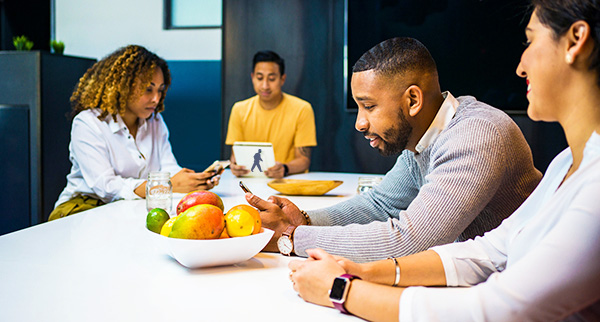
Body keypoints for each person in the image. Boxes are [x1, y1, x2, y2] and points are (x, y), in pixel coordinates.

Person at [288, 1, 600, 320]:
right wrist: (367, 270)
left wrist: (340, 288)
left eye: (530, 40)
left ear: (575, 40)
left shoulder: (480, 132)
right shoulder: (566, 163)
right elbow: (490, 251)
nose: (520, 66)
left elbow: (496, 309)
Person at [246, 38, 542, 262]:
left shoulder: (475, 134)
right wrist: (304, 219)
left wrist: (292, 237)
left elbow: (410, 240)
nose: (360, 123)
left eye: (369, 106)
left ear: (412, 100)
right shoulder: (425, 138)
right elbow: (380, 204)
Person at [49, 45, 218, 221]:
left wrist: (194, 181)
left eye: (160, 90)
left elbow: (167, 168)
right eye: (148, 89)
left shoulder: (154, 121)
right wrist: (167, 185)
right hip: (83, 208)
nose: (156, 98)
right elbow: (106, 186)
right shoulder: (88, 123)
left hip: (129, 207)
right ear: (122, 86)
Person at [225, 50, 317, 178]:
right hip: (249, 181)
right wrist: (235, 166)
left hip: (288, 180)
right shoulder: (239, 109)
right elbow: (236, 156)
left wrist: (284, 169)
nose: (265, 85)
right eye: (259, 78)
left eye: (272, 79)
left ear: (282, 79)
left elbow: (304, 160)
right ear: (252, 77)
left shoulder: (302, 109)